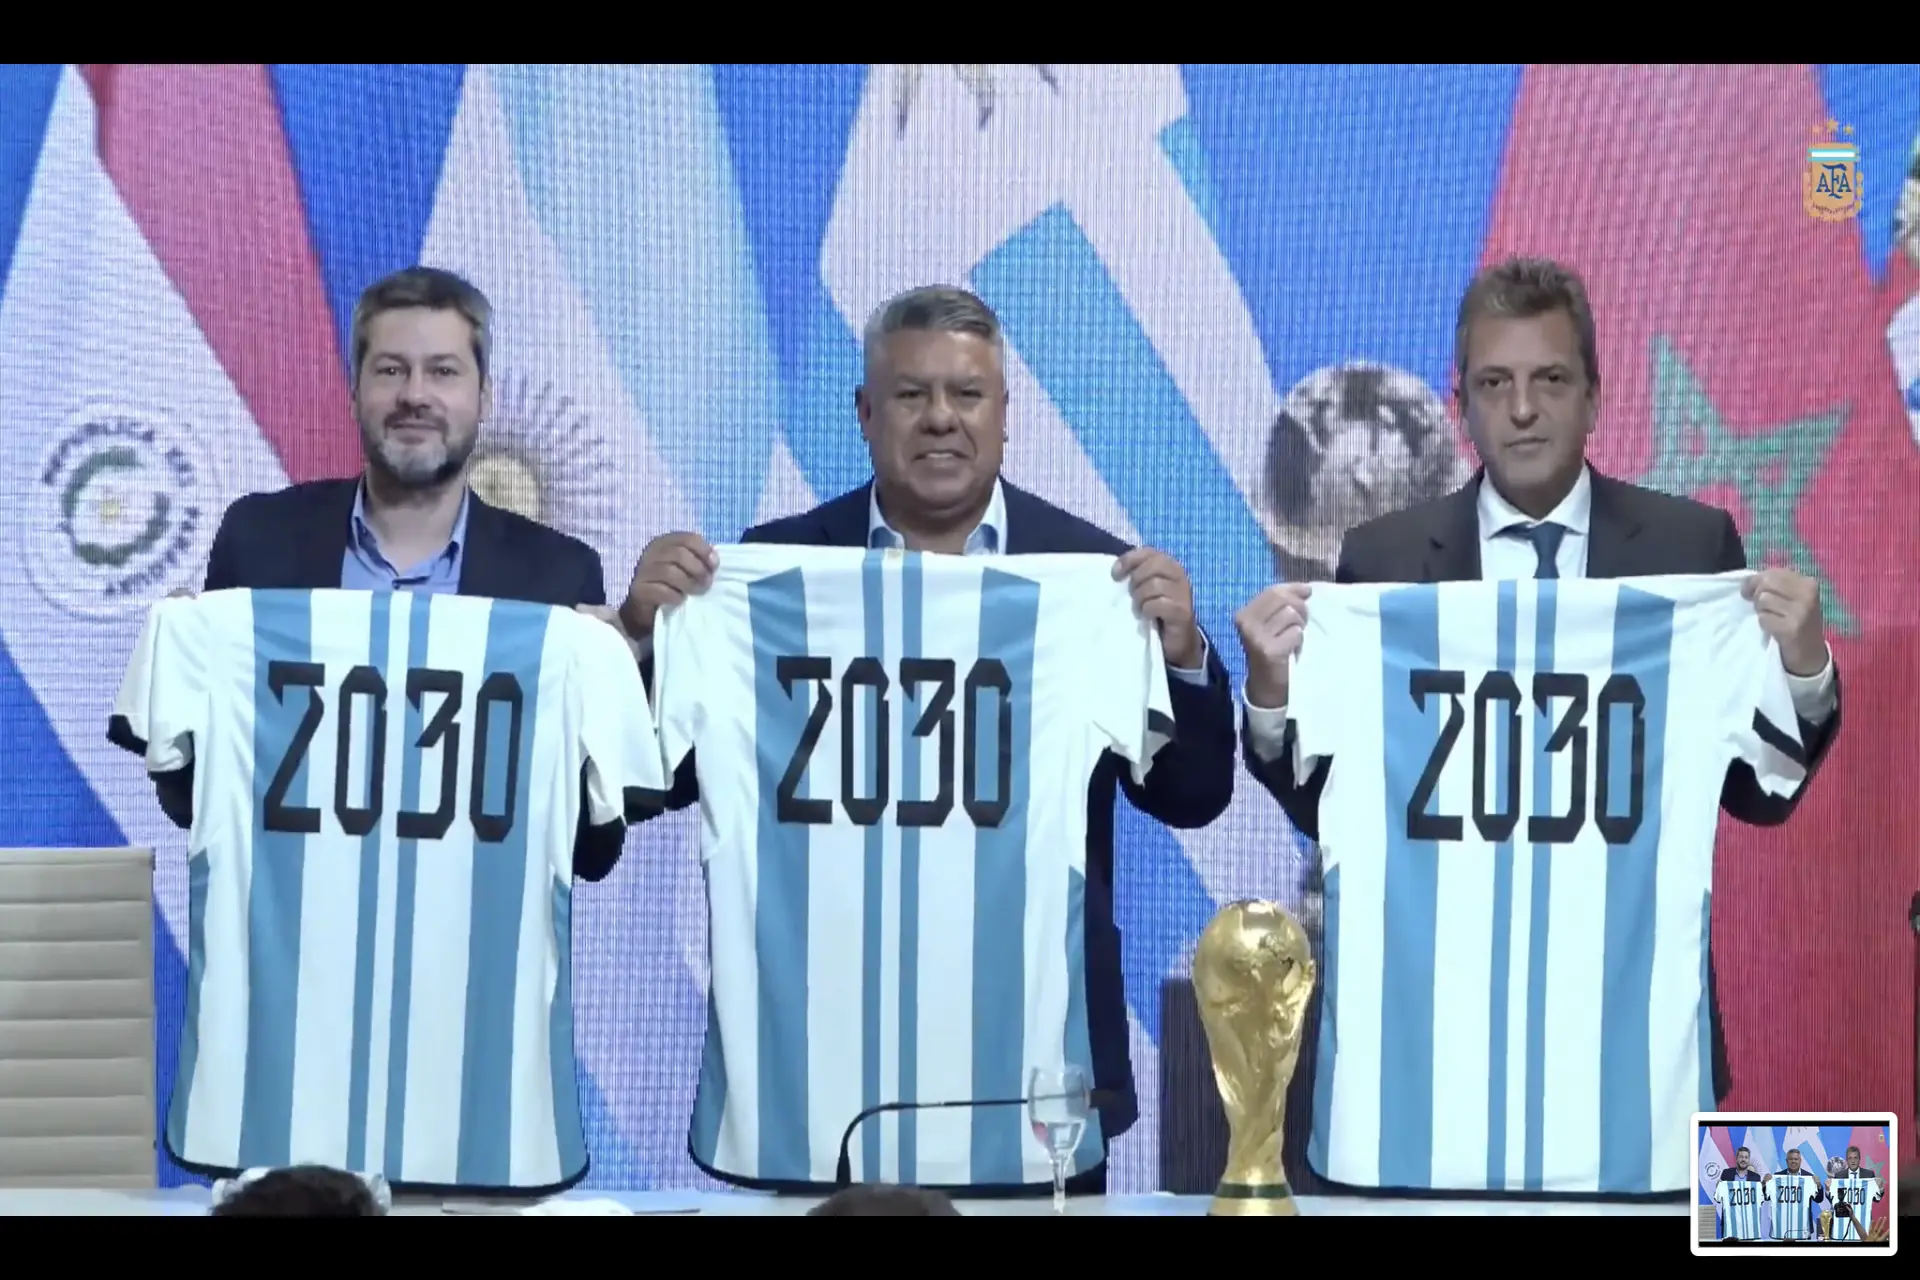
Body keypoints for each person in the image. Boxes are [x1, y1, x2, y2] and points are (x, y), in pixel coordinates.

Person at [1234, 256, 1843, 1196]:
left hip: (1630, 1072)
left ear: (1594, 396)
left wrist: (1802, 669)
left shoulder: (1690, 551)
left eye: (1550, 379)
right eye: (1495, 384)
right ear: (1460, 407)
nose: (1522, 409)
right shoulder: (1383, 561)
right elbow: (1329, 801)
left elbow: (1761, 795)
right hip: (1429, 1067)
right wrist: (1273, 694)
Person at [619, 285, 1239, 1195]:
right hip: (816, 1080)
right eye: (911, 395)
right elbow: (648, 781)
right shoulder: (769, 570)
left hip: (1033, 1088)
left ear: (1004, 413)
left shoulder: (1089, 575)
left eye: (967, 394)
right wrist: (645, 636)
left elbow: (1193, 796)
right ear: (865, 414)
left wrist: (1181, 655)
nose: (941, 418)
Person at [151, 265, 633, 879]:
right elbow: (194, 804)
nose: (415, 395)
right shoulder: (258, 543)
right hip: (294, 923)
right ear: (354, 392)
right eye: (390, 370)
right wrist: (182, 686)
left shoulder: (558, 579)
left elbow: (591, 854)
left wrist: (611, 705)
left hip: (474, 930)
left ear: (484, 398)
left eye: (443, 371)